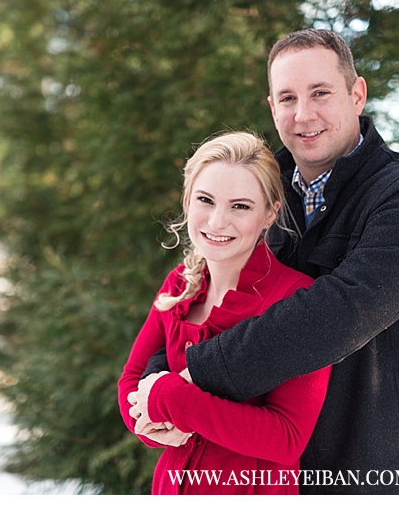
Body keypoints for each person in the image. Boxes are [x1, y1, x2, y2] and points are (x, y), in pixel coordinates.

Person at [128, 29, 399, 495]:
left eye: (320, 93)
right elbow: (211, 289)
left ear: (356, 94)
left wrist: (192, 378)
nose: (303, 114)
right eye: (287, 98)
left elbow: (339, 312)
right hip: (274, 475)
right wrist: (157, 386)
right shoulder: (261, 189)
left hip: (378, 474)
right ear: (272, 107)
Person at [117, 132, 331, 495]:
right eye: (205, 200)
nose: (217, 222)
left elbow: (288, 437)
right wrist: (153, 428)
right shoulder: (178, 286)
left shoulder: (296, 298)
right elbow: (132, 379)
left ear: (270, 213)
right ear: (187, 201)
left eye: (240, 206)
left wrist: (174, 403)